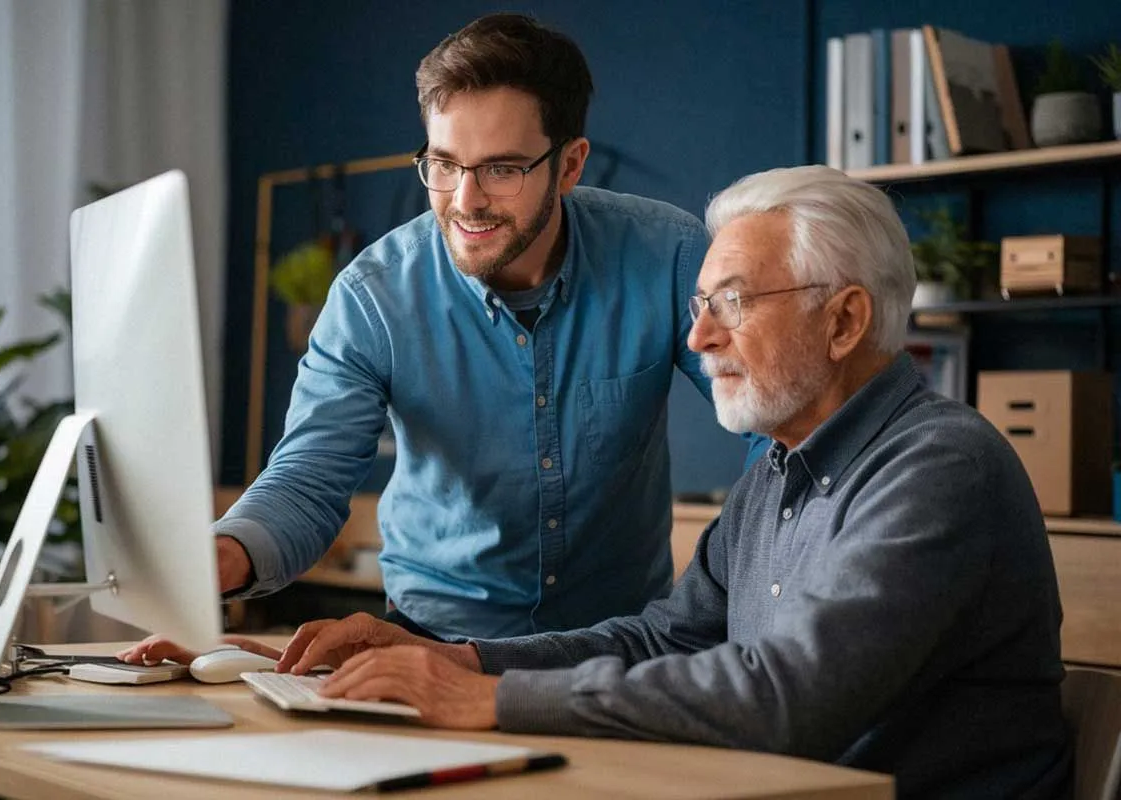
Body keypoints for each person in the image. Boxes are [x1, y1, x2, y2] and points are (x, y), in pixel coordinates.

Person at [127, 165, 1070, 798]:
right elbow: (664, 635)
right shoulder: (780, 472)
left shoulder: (941, 466)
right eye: (699, 307)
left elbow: (788, 699)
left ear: (845, 318)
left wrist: (485, 701)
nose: (697, 338)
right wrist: (459, 659)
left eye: (732, 304)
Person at [214, 13, 715, 640]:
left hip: (617, 648)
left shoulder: (668, 255)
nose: (465, 200)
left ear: (569, 166)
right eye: (444, 164)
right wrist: (219, 559)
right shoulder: (374, 297)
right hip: (433, 641)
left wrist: (729, 595)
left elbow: (772, 424)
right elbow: (309, 477)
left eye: (502, 169)